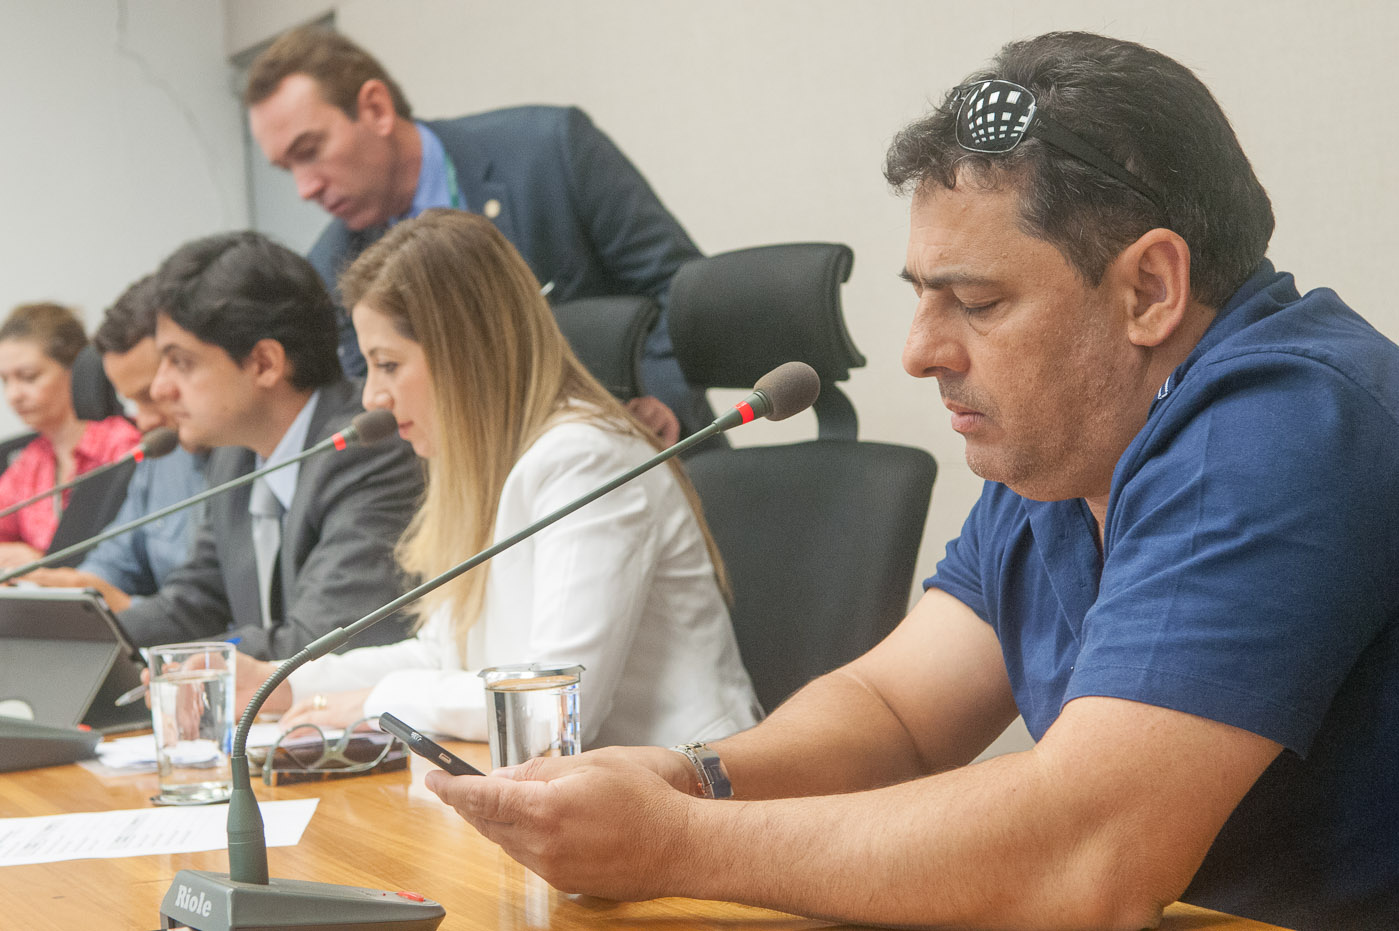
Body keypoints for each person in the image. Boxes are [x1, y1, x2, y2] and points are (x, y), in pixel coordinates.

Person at [422, 32, 1399, 930]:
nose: (919, 351)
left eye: (975, 301)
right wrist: (687, 778)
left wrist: (672, 842)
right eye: (923, 297)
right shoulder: (1071, 447)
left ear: (1148, 289)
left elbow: (1087, 854)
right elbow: (894, 711)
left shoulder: (1283, 422)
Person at [236, 210, 760, 748]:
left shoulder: (586, 460)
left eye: (388, 364)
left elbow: (552, 708)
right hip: (574, 783)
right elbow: (445, 655)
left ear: (465, 354)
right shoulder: (487, 464)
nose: (371, 396)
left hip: (687, 784)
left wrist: (376, 702)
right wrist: (283, 683)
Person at [244, 26, 706, 441]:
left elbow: (680, 289)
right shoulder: (330, 269)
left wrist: (658, 399)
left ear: (376, 109)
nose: (305, 188)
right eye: (288, 169)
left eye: (310, 151)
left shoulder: (548, 150)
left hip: (642, 453)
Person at [116, 232, 424, 659]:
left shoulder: (368, 450)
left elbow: (318, 641)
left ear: (264, 363)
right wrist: (85, 640)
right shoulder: (235, 455)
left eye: (181, 362)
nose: (160, 388)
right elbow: (191, 604)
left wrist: (190, 662)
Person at [22, 275, 208, 610]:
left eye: (152, 396)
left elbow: (209, 610)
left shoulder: (249, 456)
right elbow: (118, 557)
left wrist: (122, 608)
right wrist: (75, 587)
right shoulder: (163, 454)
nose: (144, 421)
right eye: (132, 402)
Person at [0, 302, 141, 566]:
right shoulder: (30, 460)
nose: (13, 395)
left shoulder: (123, 444)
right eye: (5, 381)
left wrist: (41, 564)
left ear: (77, 369)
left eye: (29, 377)